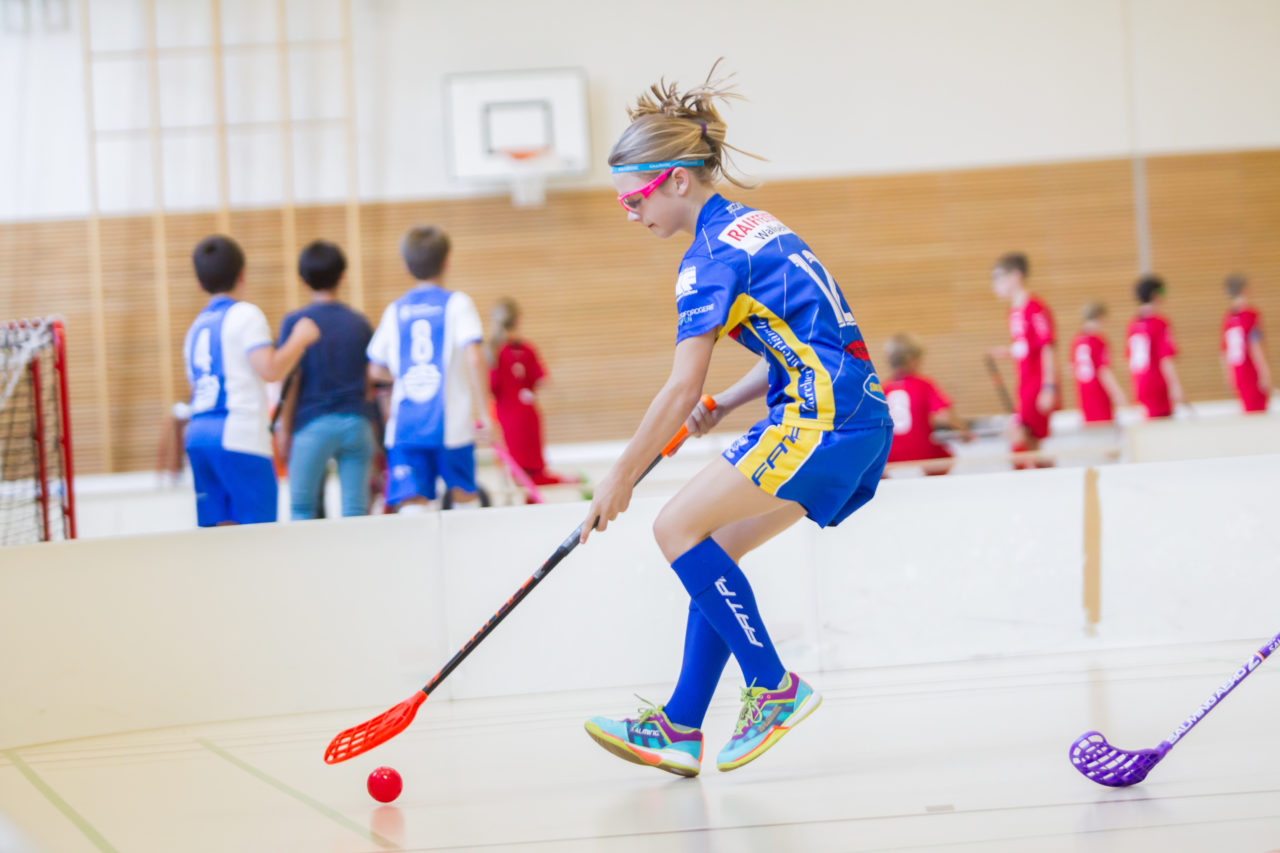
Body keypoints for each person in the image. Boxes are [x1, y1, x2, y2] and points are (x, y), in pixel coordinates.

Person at [580, 63, 893, 777]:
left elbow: (677, 382)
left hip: (823, 420)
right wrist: (727, 403)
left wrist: (620, 477)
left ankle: (772, 686)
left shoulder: (707, 259)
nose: (631, 215)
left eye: (634, 200)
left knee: (672, 526)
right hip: (856, 415)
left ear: (677, 181)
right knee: (711, 545)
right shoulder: (755, 227)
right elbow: (802, 342)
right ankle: (681, 725)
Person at [182, 234, 319, 526]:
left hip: (199, 435)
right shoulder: (245, 314)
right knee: (258, 533)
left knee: (221, 534)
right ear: (242, 275)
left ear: (198, 283)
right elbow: (270, 370)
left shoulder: (195, 327)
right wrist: (299, 339)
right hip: (239, 435)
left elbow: (195, 387)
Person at [367, 225, 492, 511]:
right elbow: (474, 357)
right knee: (464, 498)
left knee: (412, 508)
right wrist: (486, 414)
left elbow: (375, 370)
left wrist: (405, 375)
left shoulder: (394, 309)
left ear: (405, 266)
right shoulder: (458, 304)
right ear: (447, 261)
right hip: (453, 425)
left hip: (406, 426)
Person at [275, 240, 375, 519]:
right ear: (342, 276)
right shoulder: (359, 322)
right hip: (357, 423)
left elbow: (291, 381)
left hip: (312, 425)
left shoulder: (295, 322)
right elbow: (370, 382)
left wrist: (284, 430)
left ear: (303, 279)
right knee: (355, 512)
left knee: (302, 509)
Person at [488, 298, 575, 486]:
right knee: (533, 471)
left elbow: (491, 387)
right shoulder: (526, 349)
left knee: (514, 472)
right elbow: (543, 379)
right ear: (518, 320)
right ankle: (562, 483)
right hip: (527, 413)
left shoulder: (494, 352)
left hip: (505, 414)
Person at [989, 252, 1058, 466]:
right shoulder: (1014, 311)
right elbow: (1028, 346)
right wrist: (1010, 352)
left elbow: (1047, 346)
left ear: (1016, 276)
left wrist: (1049, 386)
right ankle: (1044, 480)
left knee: (1016, 434)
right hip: (1024, 382)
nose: (995, 284)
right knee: (1030, 442)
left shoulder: (1034, 308)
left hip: (1037, 383)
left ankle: (1032, 482)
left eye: (999, 277)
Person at [882, 334, 965, 474]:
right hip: (923, 455)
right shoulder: (923, 385)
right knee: (947, 457)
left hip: (891, 458)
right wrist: (964, 431)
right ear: (913, 360)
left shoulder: (883, 389)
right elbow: (943, 416)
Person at [1126, 274, 1185, 419]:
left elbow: (1130, 361)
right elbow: (1166, 359)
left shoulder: (1133, 325)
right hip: (1157, 384)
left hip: (1140, 385)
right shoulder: (1159, 323)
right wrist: (1176, 387)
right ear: (1154, 295)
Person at [1221, 274, 1272, 413]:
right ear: (1245, 289)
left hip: (1237, 372)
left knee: (1247, 411)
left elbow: (1224, 351)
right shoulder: (1251, 315)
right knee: (1258, 414)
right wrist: (1265, 372)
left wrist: (1229, 375)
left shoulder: (1228, 318)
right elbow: (1255, 346)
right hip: (1251, 371)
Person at [1071, 301, 1127, 424]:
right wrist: (1117, 393)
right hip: (1099, 394)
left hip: (1084, 394)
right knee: (1105, 430)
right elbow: (1103, 371)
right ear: (1101, 317)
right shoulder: (1098, 341)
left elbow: (1072, 368)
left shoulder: (1077, 341)